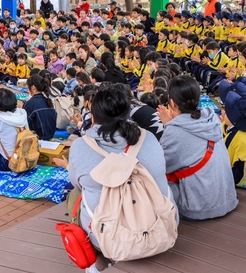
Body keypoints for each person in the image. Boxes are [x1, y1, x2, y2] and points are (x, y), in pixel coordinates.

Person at [67, 84, 176, 269]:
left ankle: (97, 261)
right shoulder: (148, 138)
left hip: (106, 236)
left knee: (75, 195)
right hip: (161, 226)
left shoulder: (80, 146)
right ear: (128, 113)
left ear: (93, 116)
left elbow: (76, 182)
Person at [157, 76, 238, 220]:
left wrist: (167, 125)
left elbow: (161, 166)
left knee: (152, 180)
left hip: (200, 207)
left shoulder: (175, 131)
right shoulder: (211, 118)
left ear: (173, 103)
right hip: (227, 199)